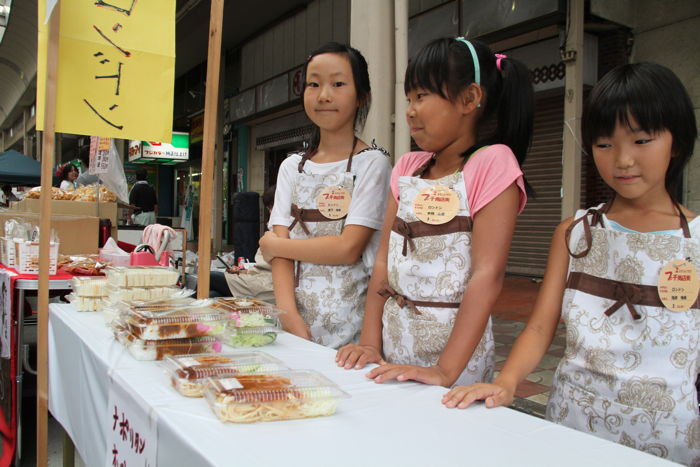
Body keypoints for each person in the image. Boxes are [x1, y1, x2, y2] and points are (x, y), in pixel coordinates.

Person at [443, 63, 699, 466]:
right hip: (573, 422)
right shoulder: (574, 234)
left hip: (670, 435)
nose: (623, 159)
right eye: (604, 144)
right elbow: (541, 326)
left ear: (678, 142)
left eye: (642, 139)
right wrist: (506, 382)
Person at [336, 37, 534, 388]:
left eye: (422, 96)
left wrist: (445, 370)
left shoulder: (491, 163)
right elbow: (384, 262)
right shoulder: (408, 167)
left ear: (470, 98)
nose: (410, 110)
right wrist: (370, 342)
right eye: (408, 98)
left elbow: (487, 275)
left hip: (456, 366)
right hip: (394, 349)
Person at [259, 42, 392, 349]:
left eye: (338, 83)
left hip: (352, 327)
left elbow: (348, 248)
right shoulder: (291, 167)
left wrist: (277, 244)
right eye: (314, 84)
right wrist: (289, 316)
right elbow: (279, 258)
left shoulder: (373, 163)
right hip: (293, 324)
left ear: (362, 96)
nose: (323, 95)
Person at [209, 184, 276, 303]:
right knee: (212, 295)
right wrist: (242, 271)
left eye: (272, 207)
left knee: (209, 277)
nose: (270, 212)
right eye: (269, 208)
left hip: (267, 286)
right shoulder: (273, 230)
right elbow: (262, 268)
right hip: (257, 279)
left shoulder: (285, 232)